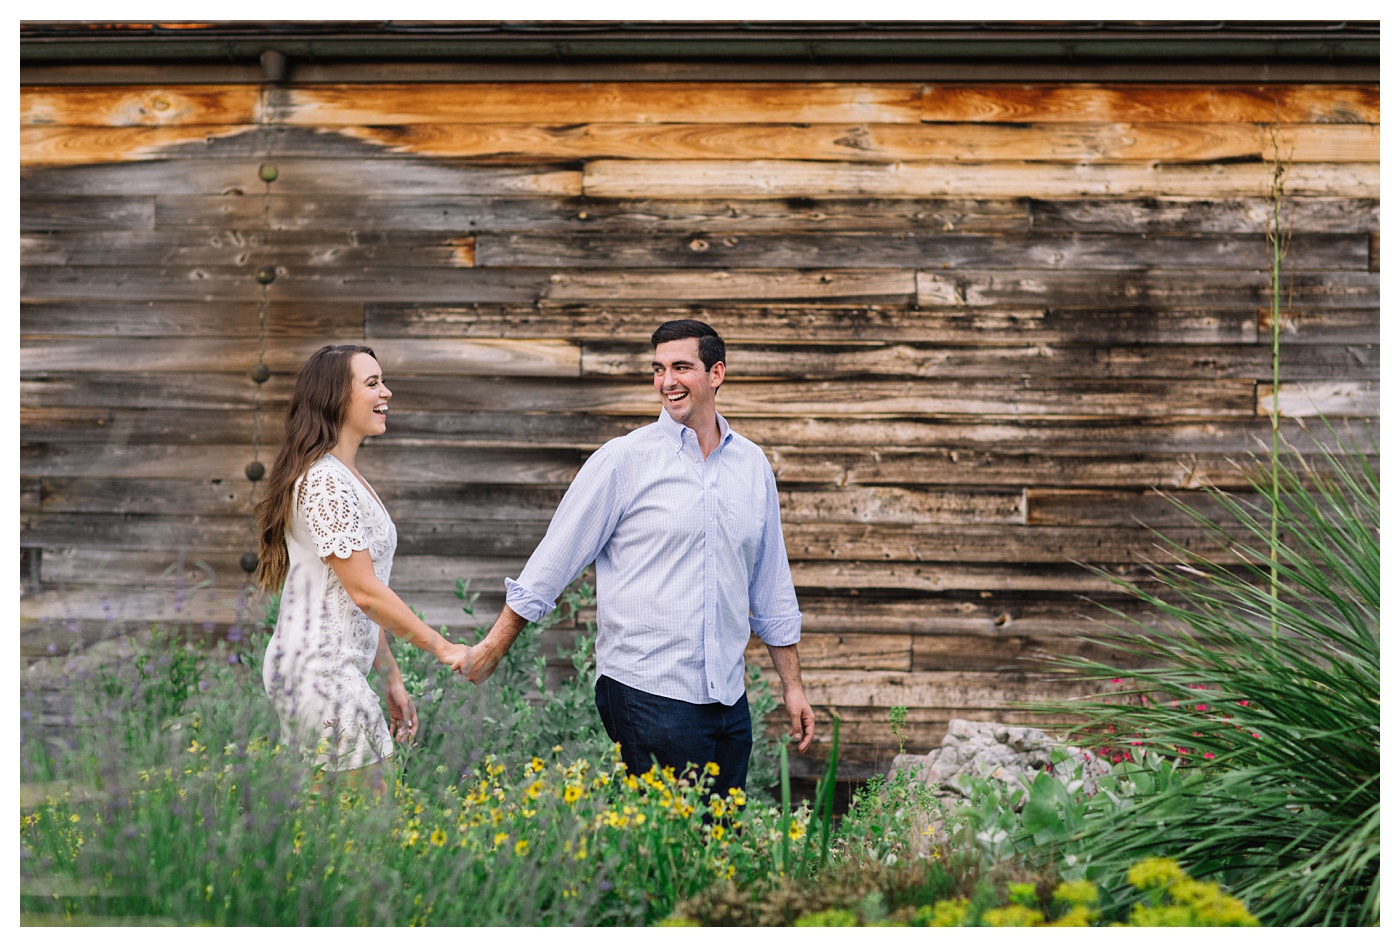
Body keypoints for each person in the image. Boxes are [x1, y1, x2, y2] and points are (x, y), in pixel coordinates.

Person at [455, 320, 815, 799]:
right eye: (659, 368)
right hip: (647, 687)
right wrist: (495, 645)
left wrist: (793, 687)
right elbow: (552, 562)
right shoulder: (623, 461)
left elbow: (771, 586)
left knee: (720, 846)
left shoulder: (752, 467)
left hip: (728, 696)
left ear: (716, 373)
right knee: (669, 846)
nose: (668, 381)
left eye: (682, 367)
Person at [254, 344, 468, 792]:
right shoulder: (326, 481)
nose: (386, 392)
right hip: (320, 670)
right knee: (366, 827)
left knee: (336, 829)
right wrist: (444, 648)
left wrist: (390, 677)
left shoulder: (341, 474)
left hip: (331, 667)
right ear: (335, 397)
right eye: (372, 383)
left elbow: (362, 597)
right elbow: (366, 592)